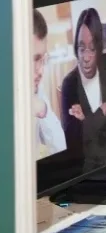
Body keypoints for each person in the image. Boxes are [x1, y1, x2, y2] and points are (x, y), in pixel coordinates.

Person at [62, 7, 106, 167]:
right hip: (89, 167)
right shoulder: (69, 85)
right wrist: (102, 111)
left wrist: (87, 121)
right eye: (81, 48)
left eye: (92, 49)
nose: (86, 57)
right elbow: (74, 144)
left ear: (99, 48)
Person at [33, 9, 66, 159]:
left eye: (42, 59)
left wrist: (44, 110)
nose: (40, 71)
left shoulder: (35, 88)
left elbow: (60, 148)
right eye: (34, 59)